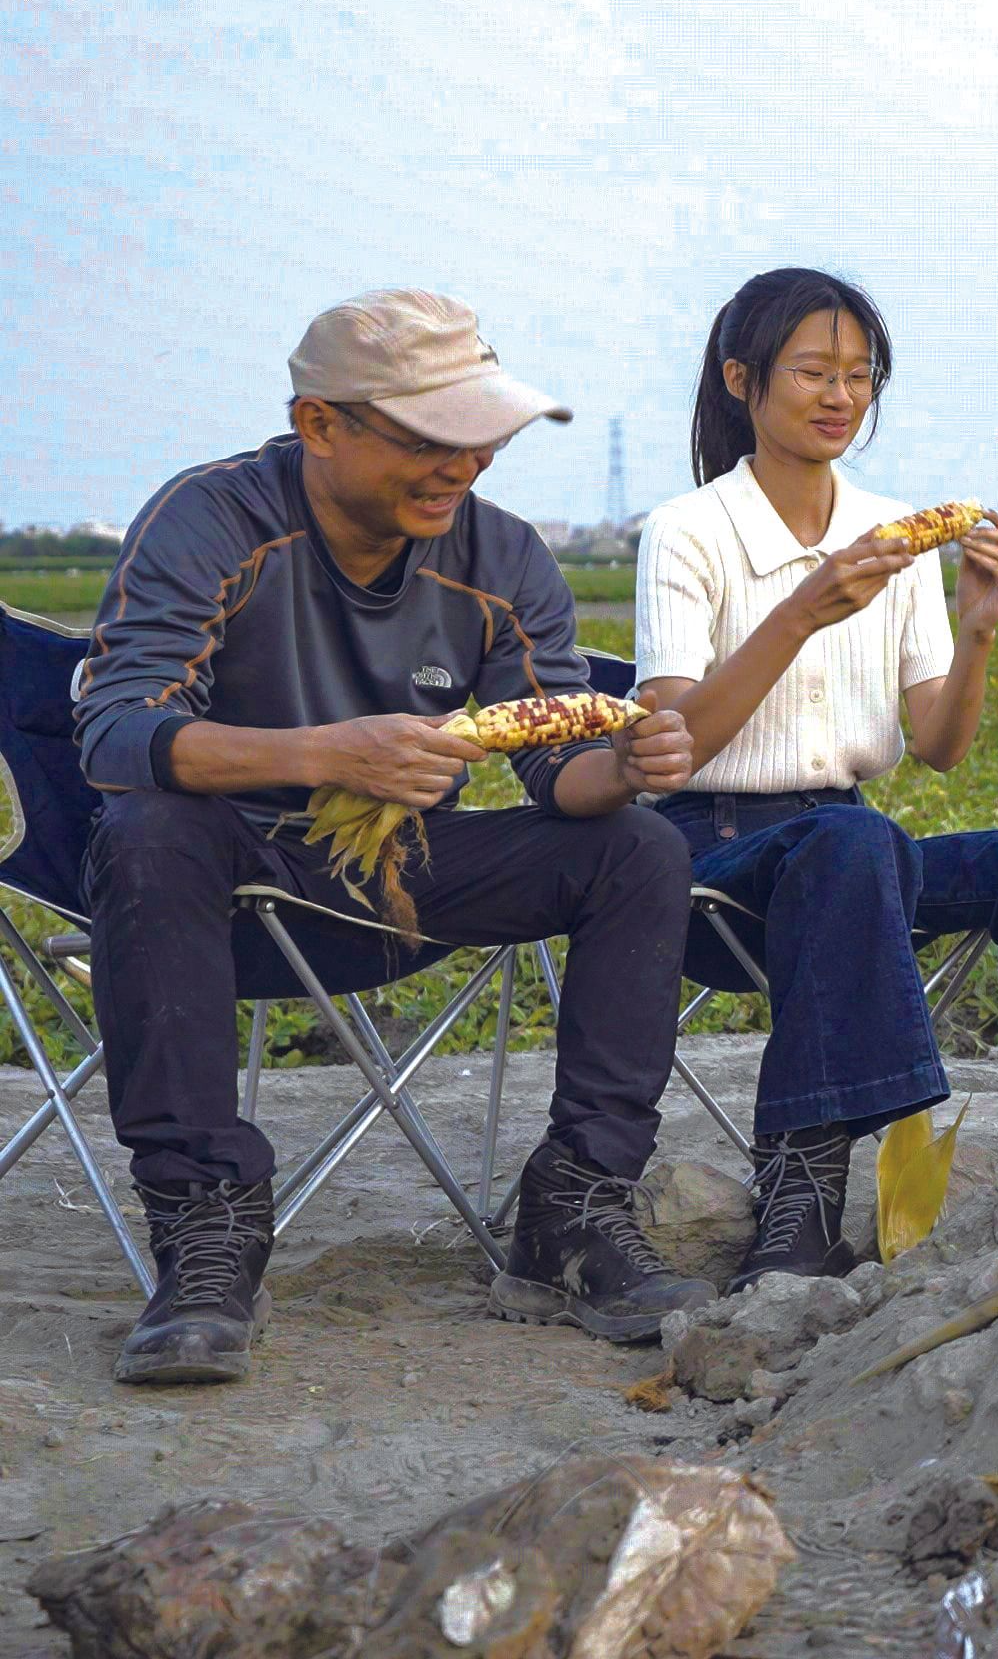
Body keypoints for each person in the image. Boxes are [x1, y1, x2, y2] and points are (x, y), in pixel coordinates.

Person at [76, 289, 711, 1385]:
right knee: (148, 830)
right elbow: (116, 732)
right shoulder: (214, 520)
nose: (457, 467)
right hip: (225, 871)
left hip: (399, 876)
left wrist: (626, 767)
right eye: (426, 439)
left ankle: (575, 1210)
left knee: (637, 850)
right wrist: (328, 752)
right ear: (319, 423)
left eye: (481, 440)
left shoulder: (503, 560)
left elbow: (556, 772)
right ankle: (207, 1226)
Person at [632, 269, 998, 1288]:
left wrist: (980, 628)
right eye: (814, 374)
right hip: (710, 851)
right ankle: (804, 1183)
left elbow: (939, 745)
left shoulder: (892, 535)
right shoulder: (688, 531)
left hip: (851, 851)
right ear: (742, 380)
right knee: (852, 842)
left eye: (861, 377)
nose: (841, 398)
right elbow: (672, 744)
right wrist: (803, 611)